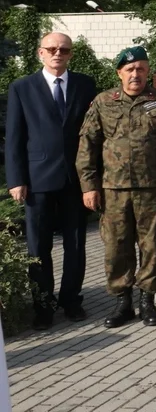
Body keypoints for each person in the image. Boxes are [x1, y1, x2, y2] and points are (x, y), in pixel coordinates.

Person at [76, 47, 156, 328]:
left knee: (151, 246)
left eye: (140, 68)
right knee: (116, 246)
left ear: (148, 71)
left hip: (154, 188)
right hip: (113, 190)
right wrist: (89, 186)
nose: (135, 74)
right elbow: (87, 145)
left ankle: (147, 300)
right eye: (129, 69)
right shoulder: (103, 102)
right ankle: (122, 301)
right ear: (119, 73)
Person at [4, 32, 96, 329]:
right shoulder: (22, 87)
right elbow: (15, 137)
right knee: (38, 247)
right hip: (37, 179)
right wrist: (16, 179)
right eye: (52, 49)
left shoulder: (85, 84)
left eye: (64, 50)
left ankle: (71, 300)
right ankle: (43, 305)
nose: (58, 54)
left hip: (75, 180)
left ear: (71, 54)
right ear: (40, 53)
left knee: (76, 244)